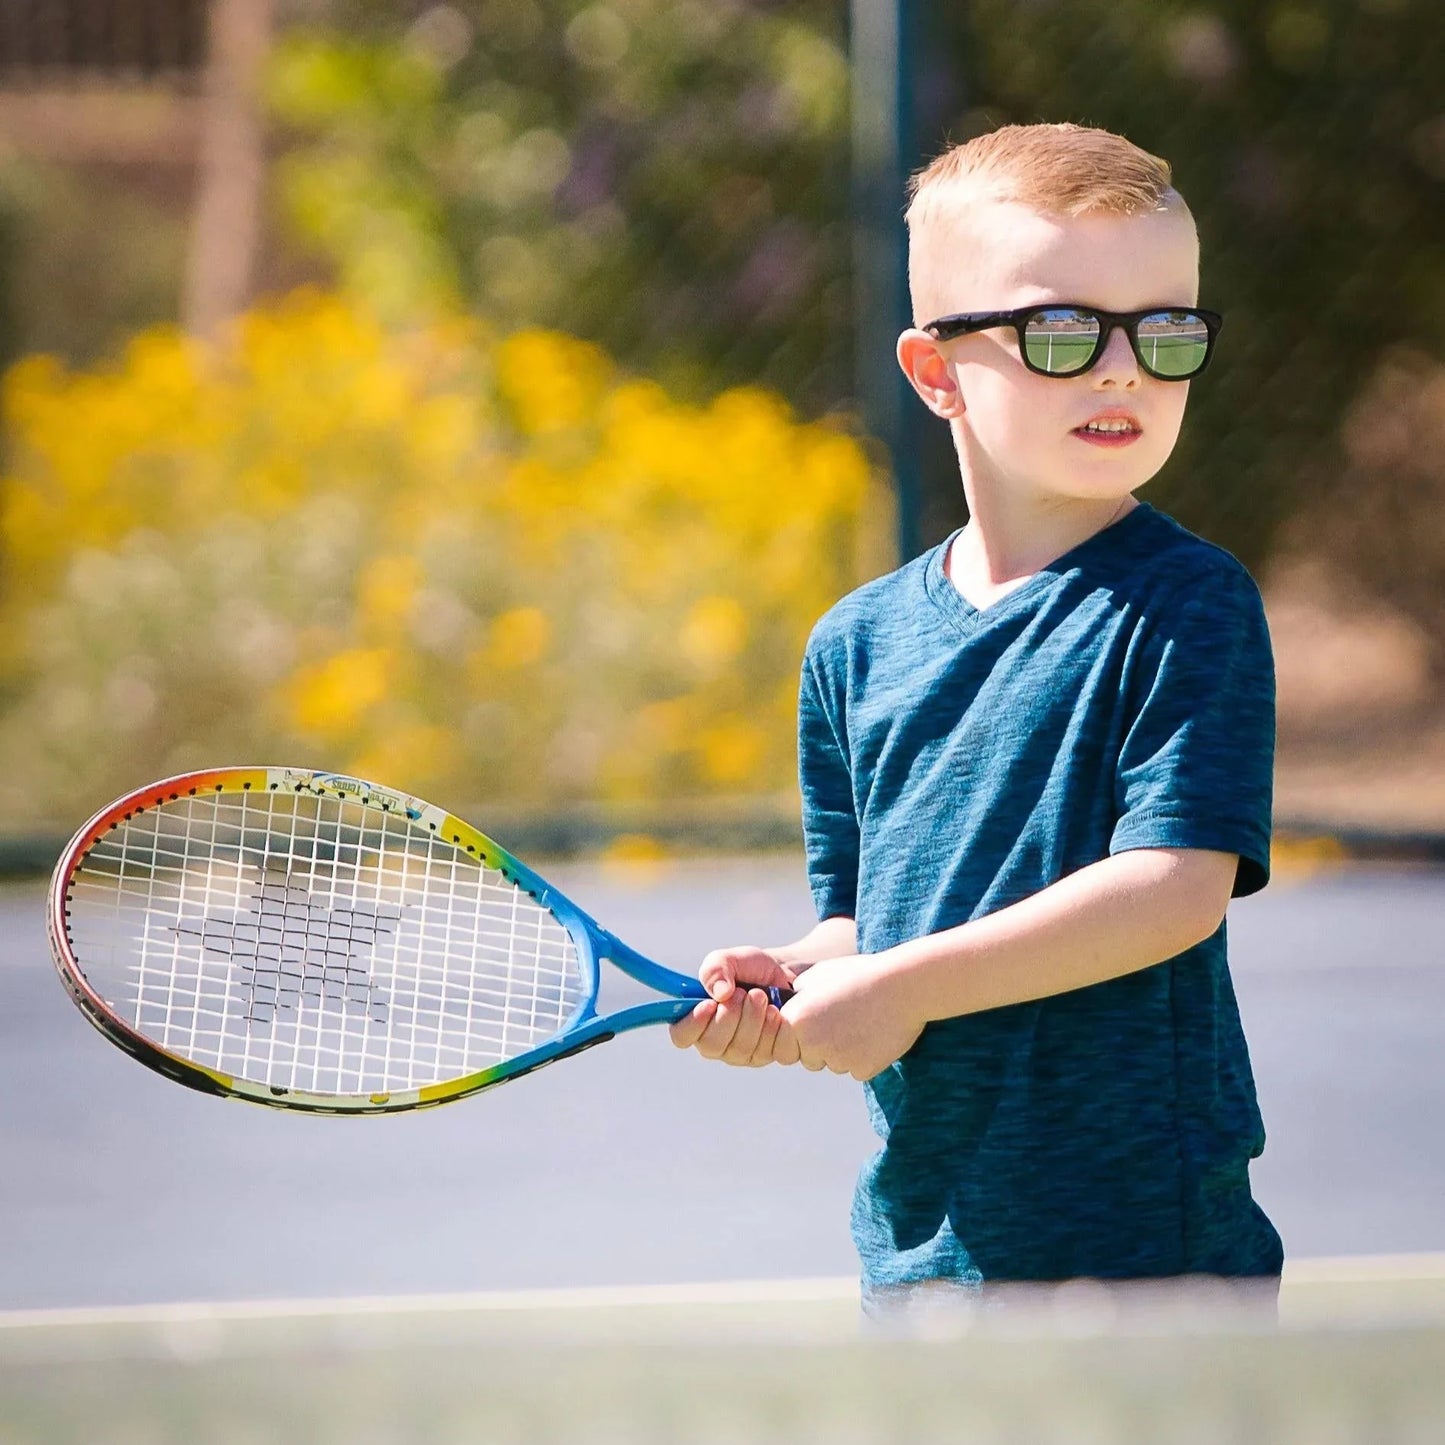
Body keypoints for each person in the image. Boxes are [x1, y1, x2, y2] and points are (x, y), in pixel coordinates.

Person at [669, 122, 1284, 1318]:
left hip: (1145, 1257)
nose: (1121, 372)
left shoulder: (1189, 605)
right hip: (925, 1251)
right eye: (1059, 334)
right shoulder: (854, 645)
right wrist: (798, 972)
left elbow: (1171, 888)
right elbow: (872, 922)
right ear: (935, 370)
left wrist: (900, 987)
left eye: (1165, 335)